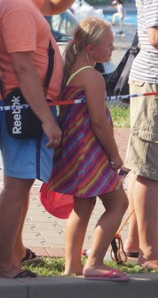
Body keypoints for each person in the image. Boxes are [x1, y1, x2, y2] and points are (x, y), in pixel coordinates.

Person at [0, 0, 90, 279]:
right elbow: (23, 68)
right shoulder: (13, 4)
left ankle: (14, 253)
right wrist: (47, 119)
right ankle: (4, 265)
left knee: (23, 180)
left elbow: (55, 4)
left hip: (25, 103)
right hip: (25, 105)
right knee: (16, 184)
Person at [47, 17, 128, 280]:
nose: (112, 49)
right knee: (118, 202)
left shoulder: (70, 72)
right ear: (90, 49)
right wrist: (114, 155)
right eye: (109, 44)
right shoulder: (92, 76)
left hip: (75, 151)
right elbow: (100, 121)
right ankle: (94, 262)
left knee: (82, 208)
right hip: (90, 152)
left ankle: (72, 265)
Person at [126, 0, 158, 270]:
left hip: (150, 81)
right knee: (150, 169)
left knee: (146, 165)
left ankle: (136, 244)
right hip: (153, 82)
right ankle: (151, 255)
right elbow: (155, 35)